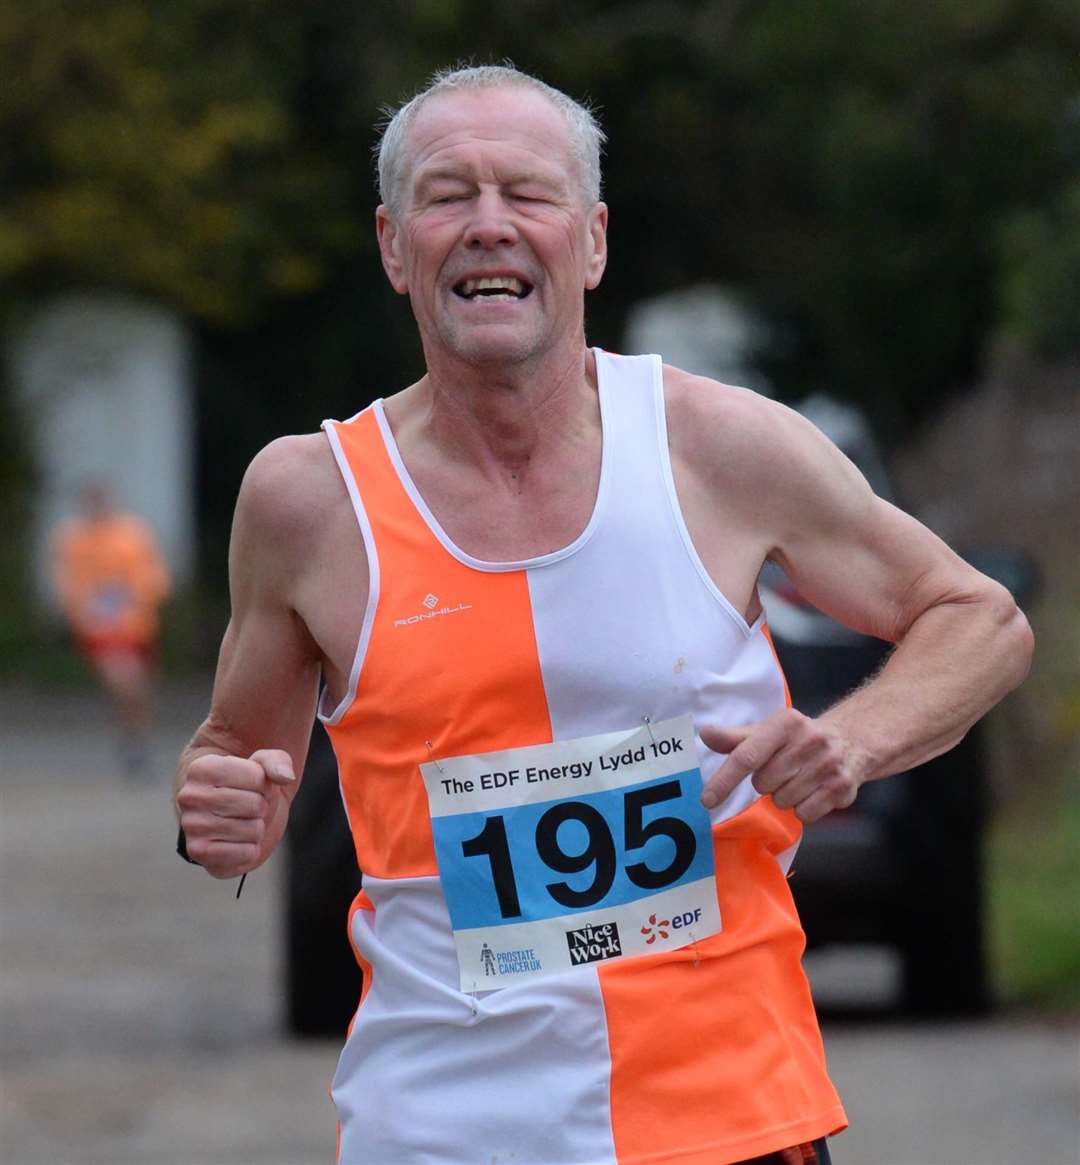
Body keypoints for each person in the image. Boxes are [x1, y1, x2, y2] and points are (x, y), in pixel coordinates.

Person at [173, 65, 1033, 1165]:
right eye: (449, 196)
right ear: (395, 247)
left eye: (527, 194)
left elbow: (980, 618)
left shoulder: (721, 447)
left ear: (591, 241)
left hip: (731, 1119)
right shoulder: (309, 500)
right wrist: (215, 814)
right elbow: (234, 769)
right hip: (443, 1130)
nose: (489, 226)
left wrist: (850, 740)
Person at [53, 480, 171, 777]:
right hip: (101, 630)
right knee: (124, 680)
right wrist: (86, 610)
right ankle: (134, 745)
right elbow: (69, 586)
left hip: (138, 627)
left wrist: (131, 597)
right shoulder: (73, 540)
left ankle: (136, 742)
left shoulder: (133, 534)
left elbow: (154, 579)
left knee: (139, 689)